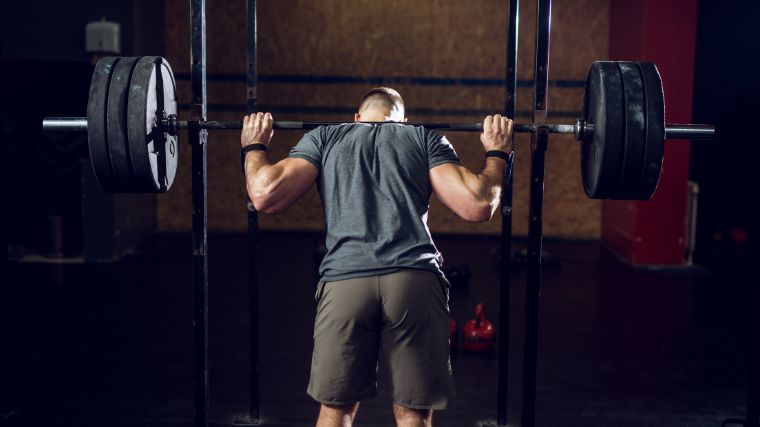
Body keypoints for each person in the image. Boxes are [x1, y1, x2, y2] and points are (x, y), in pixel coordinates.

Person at [241, 87, 513, 427]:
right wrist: (497, 153)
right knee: (414, 412)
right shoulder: (422, 137)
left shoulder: (325, 137)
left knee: (335, 410)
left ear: (356, 118)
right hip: (413, 282)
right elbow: (478, 204)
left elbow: (264, 195)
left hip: (345, 283)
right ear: (402, 120)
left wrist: (254, 145)